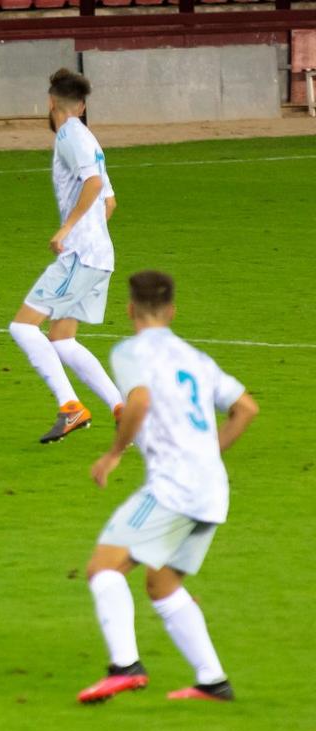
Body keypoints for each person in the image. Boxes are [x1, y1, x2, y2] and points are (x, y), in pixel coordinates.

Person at [77, 270, 258, 704]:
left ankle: (125, 667)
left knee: (103, 568)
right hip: (212, 490)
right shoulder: (196, 358)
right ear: (172, 311)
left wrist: (115, 452)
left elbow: (138, 401)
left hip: (174, 488)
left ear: (129, 310)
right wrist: (209, 453)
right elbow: (246, 409)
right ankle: (213, 681)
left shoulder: (131, 352)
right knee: (162, 585)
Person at [9, 68, 124, 444]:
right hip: (99, 255)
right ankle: (121, 409)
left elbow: (93, 185)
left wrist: (68, 229)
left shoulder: (70, 136)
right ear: (83, 104)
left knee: (23, 327)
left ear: (50, 102)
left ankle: (70, 407)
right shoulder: (88, 137)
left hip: (80, 254)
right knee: (61, 339)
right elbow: (110, 201)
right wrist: (90, 231)